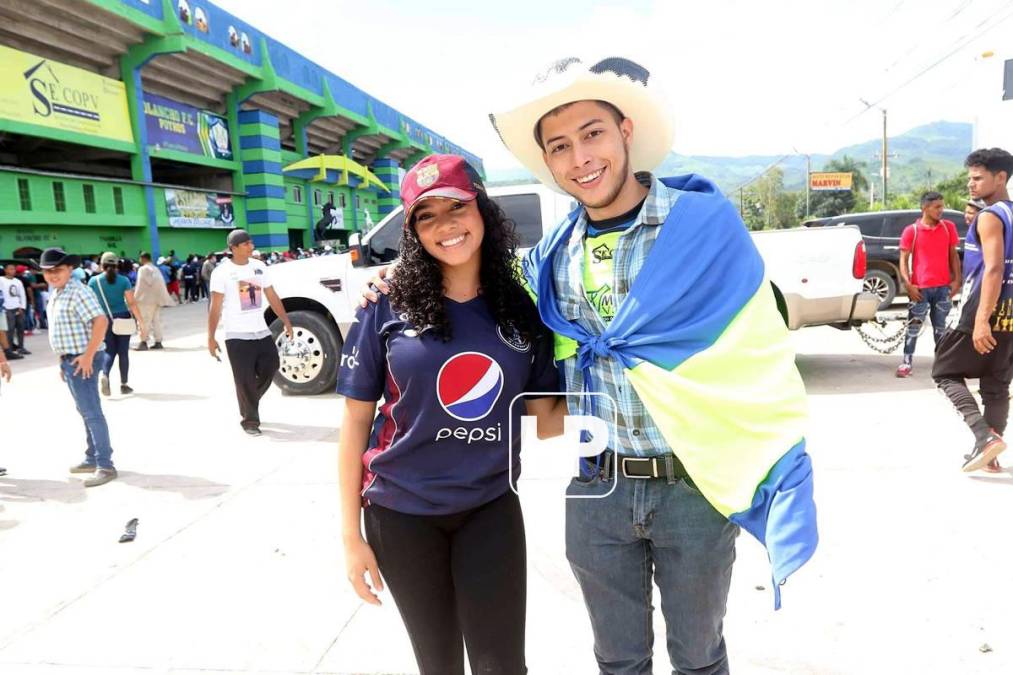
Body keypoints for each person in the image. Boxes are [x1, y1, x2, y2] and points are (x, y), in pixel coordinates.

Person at [365, 57, 817, 674]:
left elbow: (755, 341)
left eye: (593, 134)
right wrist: (396, 278)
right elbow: (478, 286)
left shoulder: (700, 226)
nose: (580, 157)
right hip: (598, 488)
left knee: (699, 657)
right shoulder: (550, 259)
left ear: (625, 131)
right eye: (560, 146)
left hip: (693, 485)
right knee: (617, 660)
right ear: (548, 163)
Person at [339, 155, 562, 675]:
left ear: (482, 209)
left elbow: (549, 418)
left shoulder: (521, 308)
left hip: (490, 507)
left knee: (502, 667)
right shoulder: (385, 305)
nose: (446, 226)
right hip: (401, 514)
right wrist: (351, 539)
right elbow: (354, 425)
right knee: (438, 666)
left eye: (457, 207)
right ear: (414, 231)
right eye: (426, 216)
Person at [933, 147, 1013, 474]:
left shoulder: (990, 216)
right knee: (996, 382)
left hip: (981, 309)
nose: (971, 184)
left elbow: (993, 269)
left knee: (944, 371)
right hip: (1010, 313)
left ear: (1001, 177)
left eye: (978, 178)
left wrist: (981, 320)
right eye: (970, 177)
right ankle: (991, 453)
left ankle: (983, 437)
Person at [41, 247, 118, 487]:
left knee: (92, 411)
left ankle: (105, 464)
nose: (53, 275)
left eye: (58, 270)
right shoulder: (57, 292)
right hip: (70, 359)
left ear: (69, 269)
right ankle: (92, 457)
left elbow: (100, 321)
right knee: (85, 410)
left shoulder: (77, 291)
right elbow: (62, 330)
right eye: (48, 271)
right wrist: (61, 360)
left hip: (83, 359)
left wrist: (87, 355)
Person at [207, 229, 293, 435]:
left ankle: (248, 400)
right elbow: (215, 307)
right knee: (244, 379)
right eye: (245, 244)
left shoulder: (259, 267)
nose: (250, 246)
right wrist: (210, 337)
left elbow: (272, 295)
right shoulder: (222, 272)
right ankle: (250, 421)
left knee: (271, 366)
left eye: (251, 242)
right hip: (236, 335)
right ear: (233, 248)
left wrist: (286, 320)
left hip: (261, 331)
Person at [895, 191, 962, 377]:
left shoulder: (948, 227)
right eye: (937, 207)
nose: (942, 210)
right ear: (924, 208)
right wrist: (908, 284)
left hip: (943, 289)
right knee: (914, 326)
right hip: (920, 289)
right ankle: (906, 363)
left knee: (941, 329)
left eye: (942, 206)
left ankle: (943, 365)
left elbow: (953, 256)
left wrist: (957, 280)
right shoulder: (912, 231)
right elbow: (903, 259)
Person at [89, 252, 144, 396]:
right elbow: (131, 302)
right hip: (123, 318)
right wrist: (141, 322)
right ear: (117, 265)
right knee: (123, 352)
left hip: (103, 320)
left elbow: (90, 303)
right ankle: (124, 384)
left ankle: (105, 375)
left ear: (102, 265)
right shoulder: (124, 280)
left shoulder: (94, 281)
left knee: (109, 350)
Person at [134, 252, 172, 350]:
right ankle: (158, 341)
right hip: (157, 299)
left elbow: (140, 285)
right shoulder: (156, 269)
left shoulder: (143, 269)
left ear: (142, 258)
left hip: (146, 300)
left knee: (144, 321)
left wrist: (134, 298)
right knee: (156, 321)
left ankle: (143, 342)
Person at [1, 264, 29, 356]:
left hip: (18, 308)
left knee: (21, 328)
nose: (13, 271)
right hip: (7, 308)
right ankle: (9, 349)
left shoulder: (18, 281)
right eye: (11, 269)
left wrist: (22, 306)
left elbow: (22, 294)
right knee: (10, 329)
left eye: (14, 269)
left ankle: (21, 347)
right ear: (5, 270)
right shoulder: (1, 280)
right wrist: (3, 307)